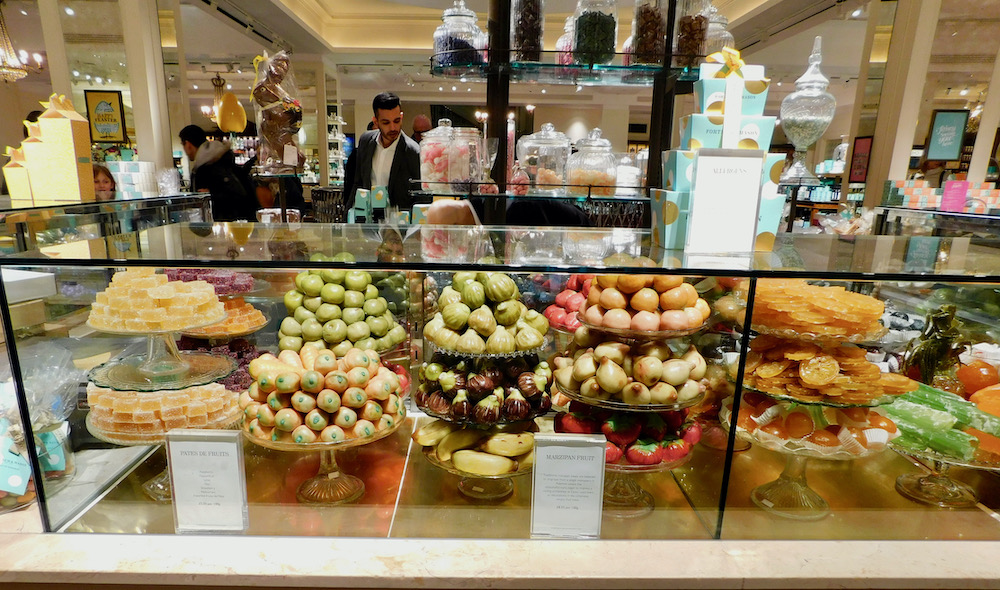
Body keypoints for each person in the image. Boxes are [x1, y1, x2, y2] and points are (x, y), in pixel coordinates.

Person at [353, 92, 421, 212]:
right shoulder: (365, 141)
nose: (393, 128)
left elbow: (419, 198)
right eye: (386, 123)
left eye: (396, 121)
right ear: (375, 121)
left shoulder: (413, 151)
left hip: (399, 225)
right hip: (368, 223)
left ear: (401, 116)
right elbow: (357, 183)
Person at [179, 125, 257, 221]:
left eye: (183, 145)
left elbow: (237, 195)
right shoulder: (221, 161)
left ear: (188, 144)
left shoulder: (207, 168)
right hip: (236, 225)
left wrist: (211, 196)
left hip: (228, 226)